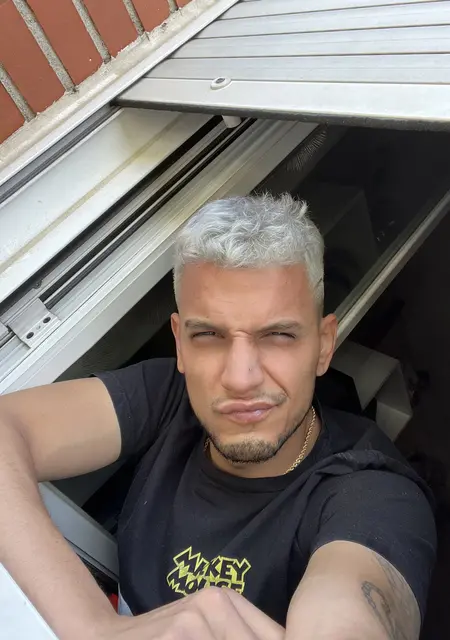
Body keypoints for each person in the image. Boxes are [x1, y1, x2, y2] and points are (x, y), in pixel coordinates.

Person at [0, 194, 436, 640]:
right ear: (180, 343)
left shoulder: (375, 496)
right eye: (209, 334)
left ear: (324, 346)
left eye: (278, 335)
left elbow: (351, 614)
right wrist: (92, 627)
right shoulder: (168, 396)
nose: (240, 378)